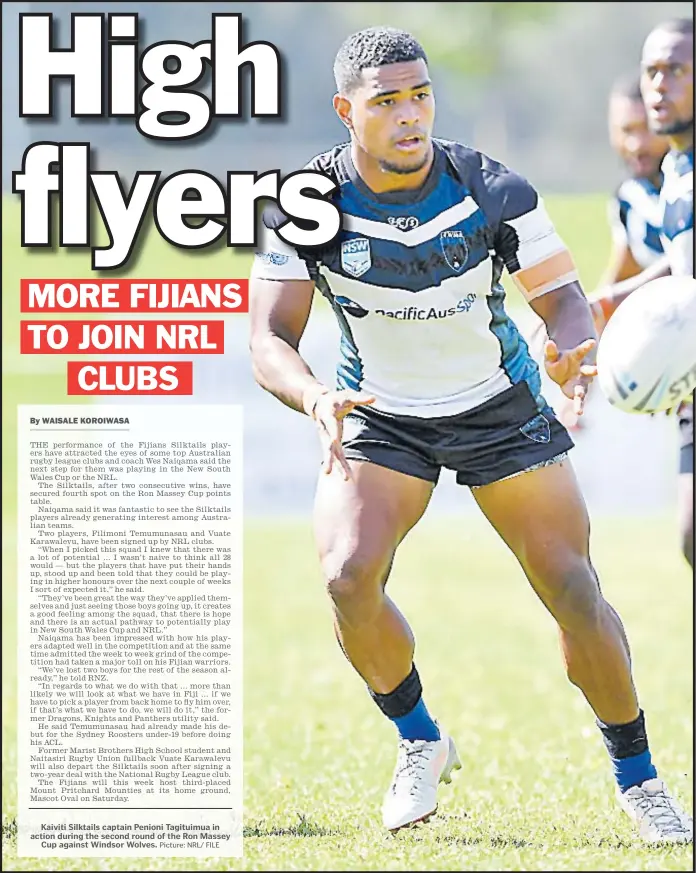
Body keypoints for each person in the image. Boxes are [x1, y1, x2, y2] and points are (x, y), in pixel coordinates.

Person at [248, 26, 693, 841]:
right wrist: (314, 396)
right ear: (347, 111)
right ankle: (420, 739)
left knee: (572, 588)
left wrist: (568, 350)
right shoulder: (306, 205)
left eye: (421, 95)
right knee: (347, 577)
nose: (410, 115)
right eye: (387, 102)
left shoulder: (491, 187)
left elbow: (561, 296)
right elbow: (268, 337)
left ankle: (640, 780)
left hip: (500, 407)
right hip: (378, 412)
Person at [592, 18, 694, 570]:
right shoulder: (677, 170)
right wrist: (605, 304)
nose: (659, 85)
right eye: (652, 72)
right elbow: (681, 268)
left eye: (676, 70)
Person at [530, 71, 669, 431]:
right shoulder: (629, 201)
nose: (637, 144)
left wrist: (605, 300)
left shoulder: (684, 184)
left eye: (646, 128)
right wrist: (575, 390)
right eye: (625, 130)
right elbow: (618, 288)